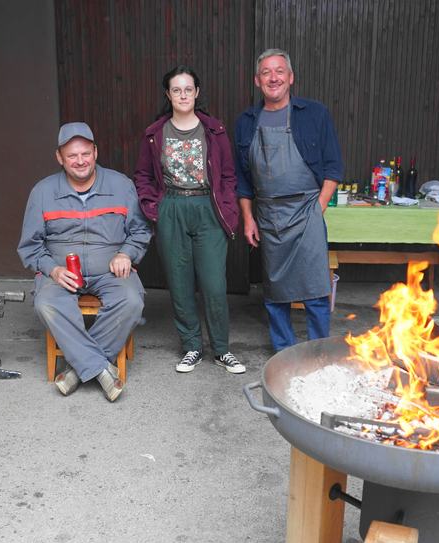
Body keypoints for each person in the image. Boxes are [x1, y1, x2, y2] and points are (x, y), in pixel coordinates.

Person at [18, 123, 151, 401]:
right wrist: (53, 269)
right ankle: (101, 369)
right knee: (47, 304)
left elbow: (140, 230)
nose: (80, 161)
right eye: (72, 156)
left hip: (110, 270)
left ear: (95, 152)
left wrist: (126, 253)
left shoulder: (121, 185)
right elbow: (30, 246)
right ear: (60, 158)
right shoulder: (42, 192)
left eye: (85, 153)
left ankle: (77, 371)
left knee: (131, 301)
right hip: (61, 272)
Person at [134, 66, 246, 374]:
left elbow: (228, 175)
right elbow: (143, 175)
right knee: (180, 283)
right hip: (172, 206)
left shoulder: (214, 130)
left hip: (208, 206)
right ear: (168, 94)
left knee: (214, 283)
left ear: (196, 92)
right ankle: (191, 347)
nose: (183, 95)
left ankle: (221, 350)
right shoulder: (155, 134)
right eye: (176, 90)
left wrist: (228, 207)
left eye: (188, 89)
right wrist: (154, 207)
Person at [234, 49, 343, 352]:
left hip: (307, 209)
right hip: (268, 212)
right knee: (275, 290)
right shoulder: (246, 121)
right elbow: (242, 179)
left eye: (279, 71)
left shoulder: (315, 113)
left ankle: (319, 353)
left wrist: (319, 206)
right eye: (266, 72)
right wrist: (248, 218)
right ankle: (285, 353)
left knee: (316, 289)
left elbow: (333, 166)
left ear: (291, 77)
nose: (273, 78)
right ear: (257, 80)